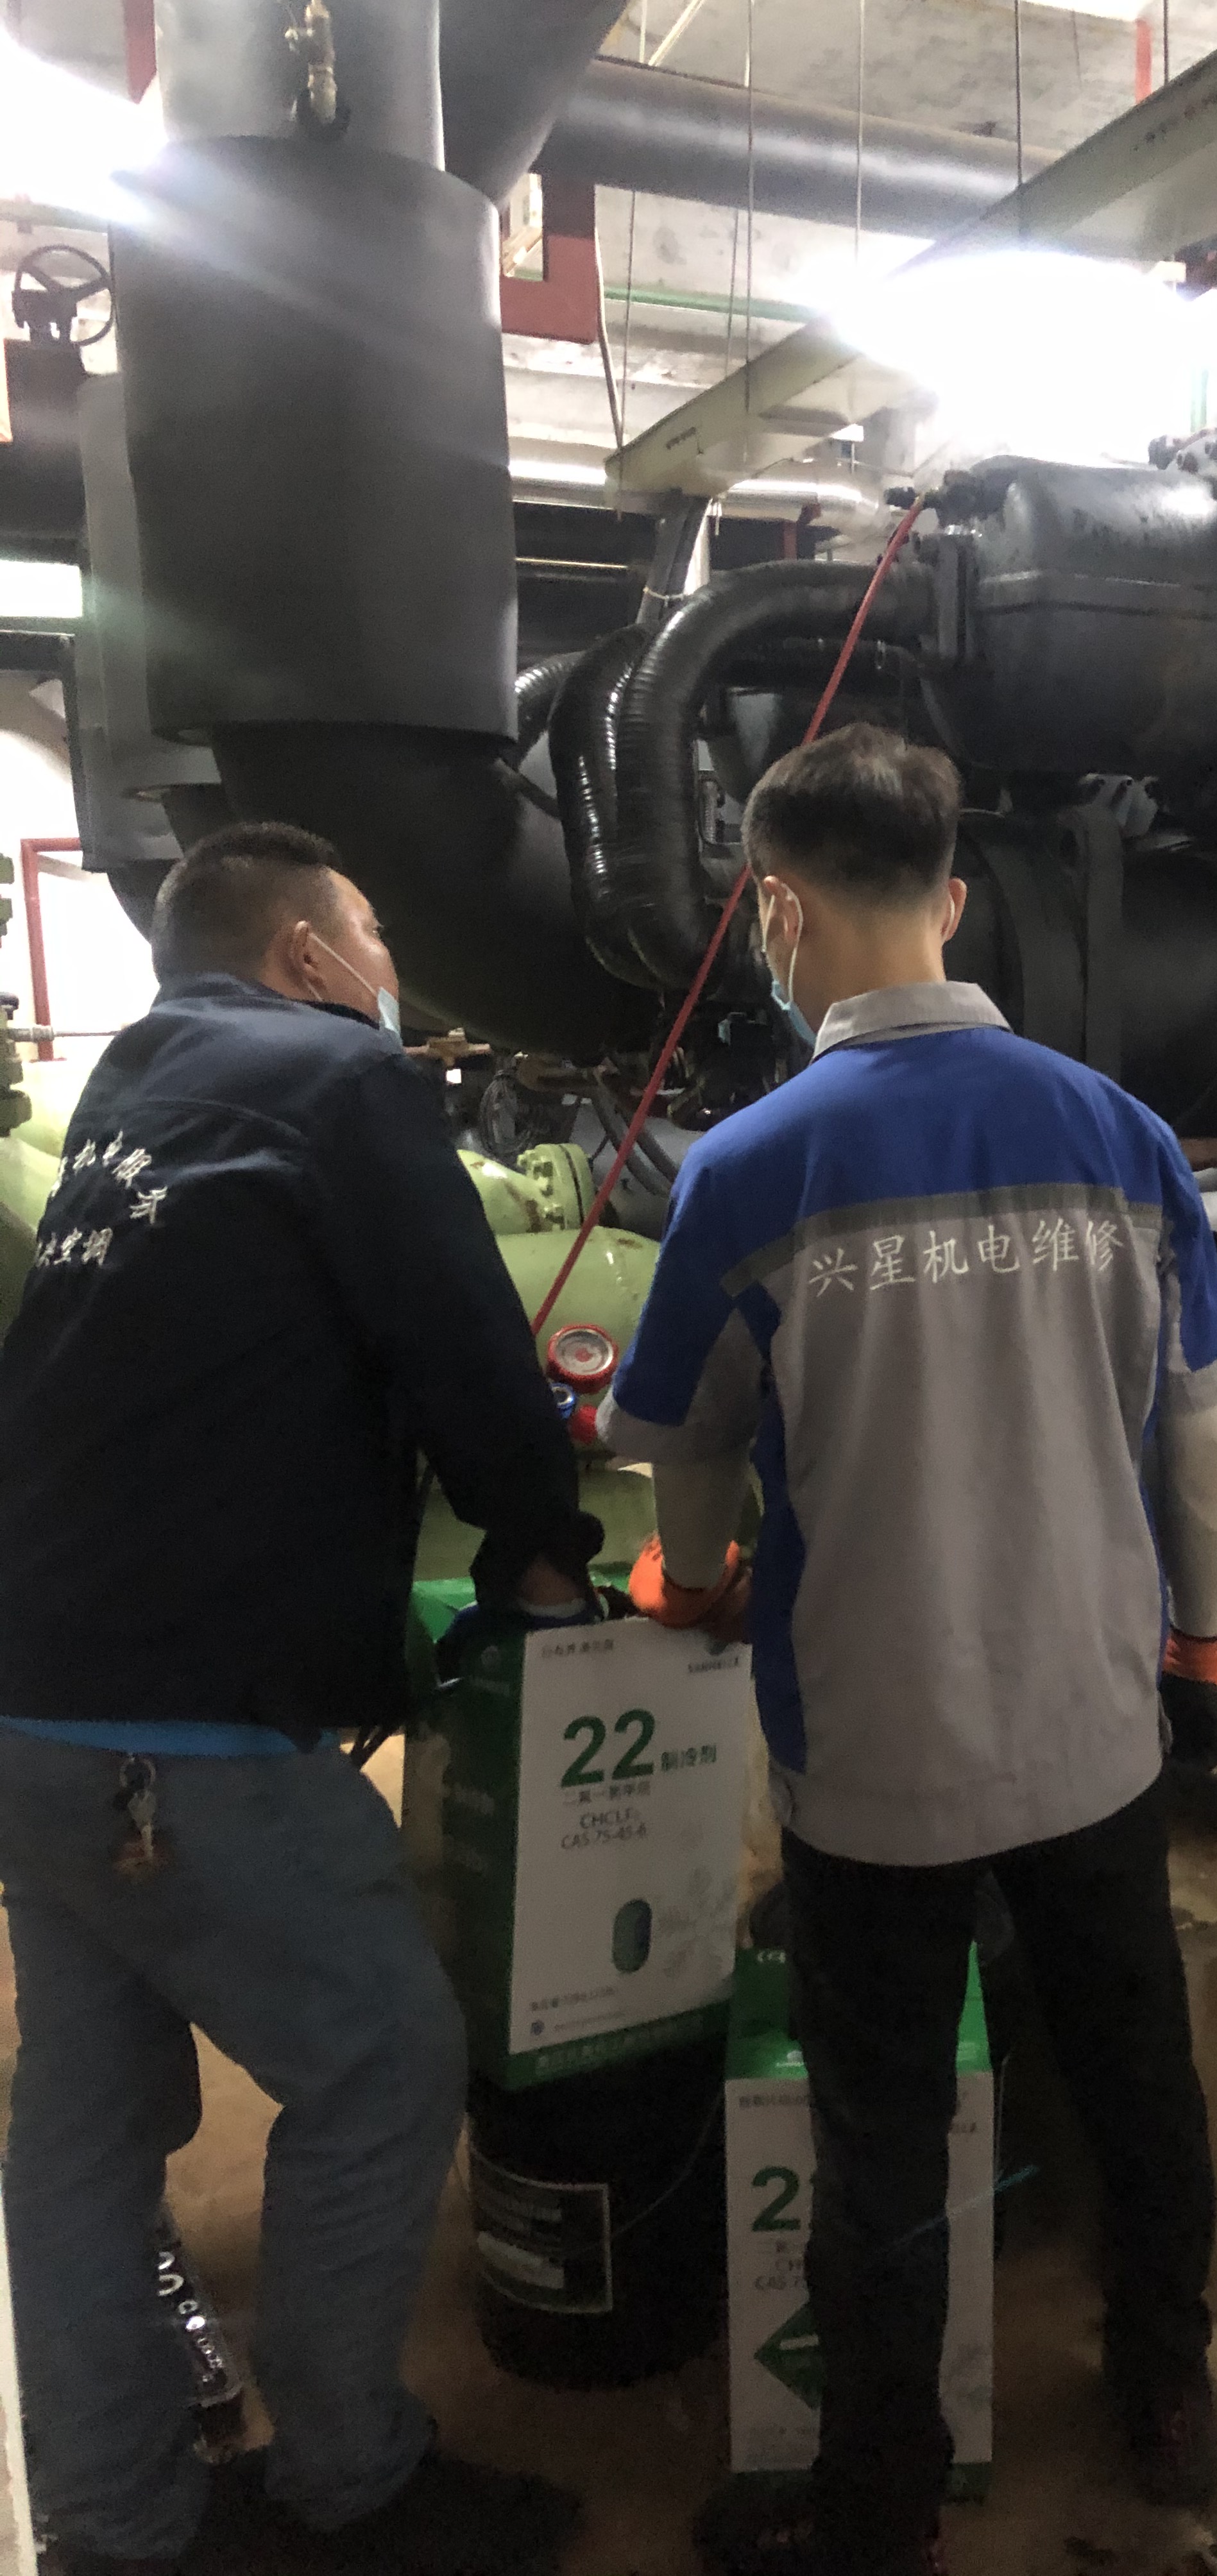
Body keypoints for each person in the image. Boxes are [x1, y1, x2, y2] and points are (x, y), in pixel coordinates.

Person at [600, 725, 1217, 2576]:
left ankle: (878, 2507)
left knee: (879, 2132)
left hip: (872, 1755)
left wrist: (697, 1577)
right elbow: (1209, 1431)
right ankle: (1168, 2396)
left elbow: (685, 1452)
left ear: (777, 912)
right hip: (1095, 1729)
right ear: (954, 900)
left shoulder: (748, 1169)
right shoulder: (1118, 1134)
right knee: (1135, 2075)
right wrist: (1199, 1649)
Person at [0, 824, 597, 2576]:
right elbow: (468, 1347)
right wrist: (542, 1550)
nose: (391, 971)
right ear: (309, 955)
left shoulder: (132, 1093)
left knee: (86, 2124)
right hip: (181, 1730)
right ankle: (354, 2479)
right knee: (386, 2065)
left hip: (27, 1700)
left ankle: (114, 2525)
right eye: (379, 935)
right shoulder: (340, 1082)